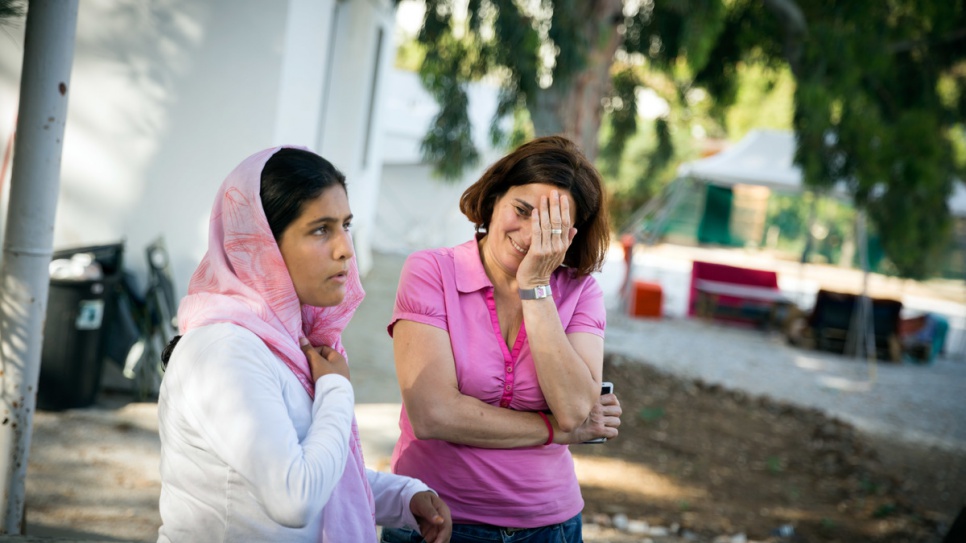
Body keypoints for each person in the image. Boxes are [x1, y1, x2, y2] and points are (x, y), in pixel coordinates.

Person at [156, 146, 452, 543]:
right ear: (262, 244)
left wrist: (404, 496)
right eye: (320, 229)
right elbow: (294, 497)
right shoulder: (224, 350)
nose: (345, 247)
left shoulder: (290, 341)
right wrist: (335, 390)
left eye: (346, 225)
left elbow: (317, 466)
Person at [381, 136, 622, 543]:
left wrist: (535, 286)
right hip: (435, 520)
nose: (529, 236)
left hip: (550, 526)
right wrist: (556, 432)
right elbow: (433, 415)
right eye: (522, 211)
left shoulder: (582, 291)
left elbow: (576, 409)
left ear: (571, 236)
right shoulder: (431, 272)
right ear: (494, 198)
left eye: (551, 227)